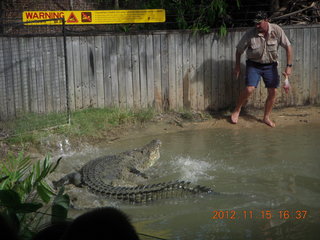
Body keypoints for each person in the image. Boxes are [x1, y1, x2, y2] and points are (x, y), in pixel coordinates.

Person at [231, 11, 293, 127]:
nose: (257, 26)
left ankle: (266, 117)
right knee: (249, 89)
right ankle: (237, 109)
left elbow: (288, 47)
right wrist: (237, 66)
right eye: (255, 24)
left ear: (267, 20)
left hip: (270, 65)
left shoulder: (277, 30)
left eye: (259, 23)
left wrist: (289, 66)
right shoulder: (250, 34)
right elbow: (239, 50)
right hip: (253, 65)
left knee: (273, 91)